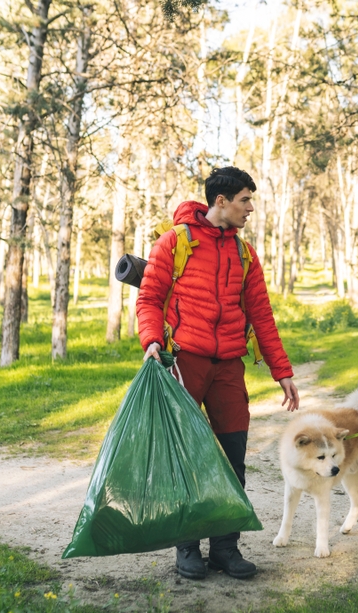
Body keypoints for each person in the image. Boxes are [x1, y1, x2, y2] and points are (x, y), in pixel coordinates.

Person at [137, 166, 300, 581]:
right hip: (184, 361)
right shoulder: (175, 243)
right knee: (188, 457)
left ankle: (226, 548)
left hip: (229, 365)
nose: (250, 208)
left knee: (232, 457)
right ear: (221, 201)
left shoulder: (244, 253)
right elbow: (150, 298)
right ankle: (187, 546)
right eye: (245, 200)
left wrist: (281, 371)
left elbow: (261, 314)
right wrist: (151, 341)